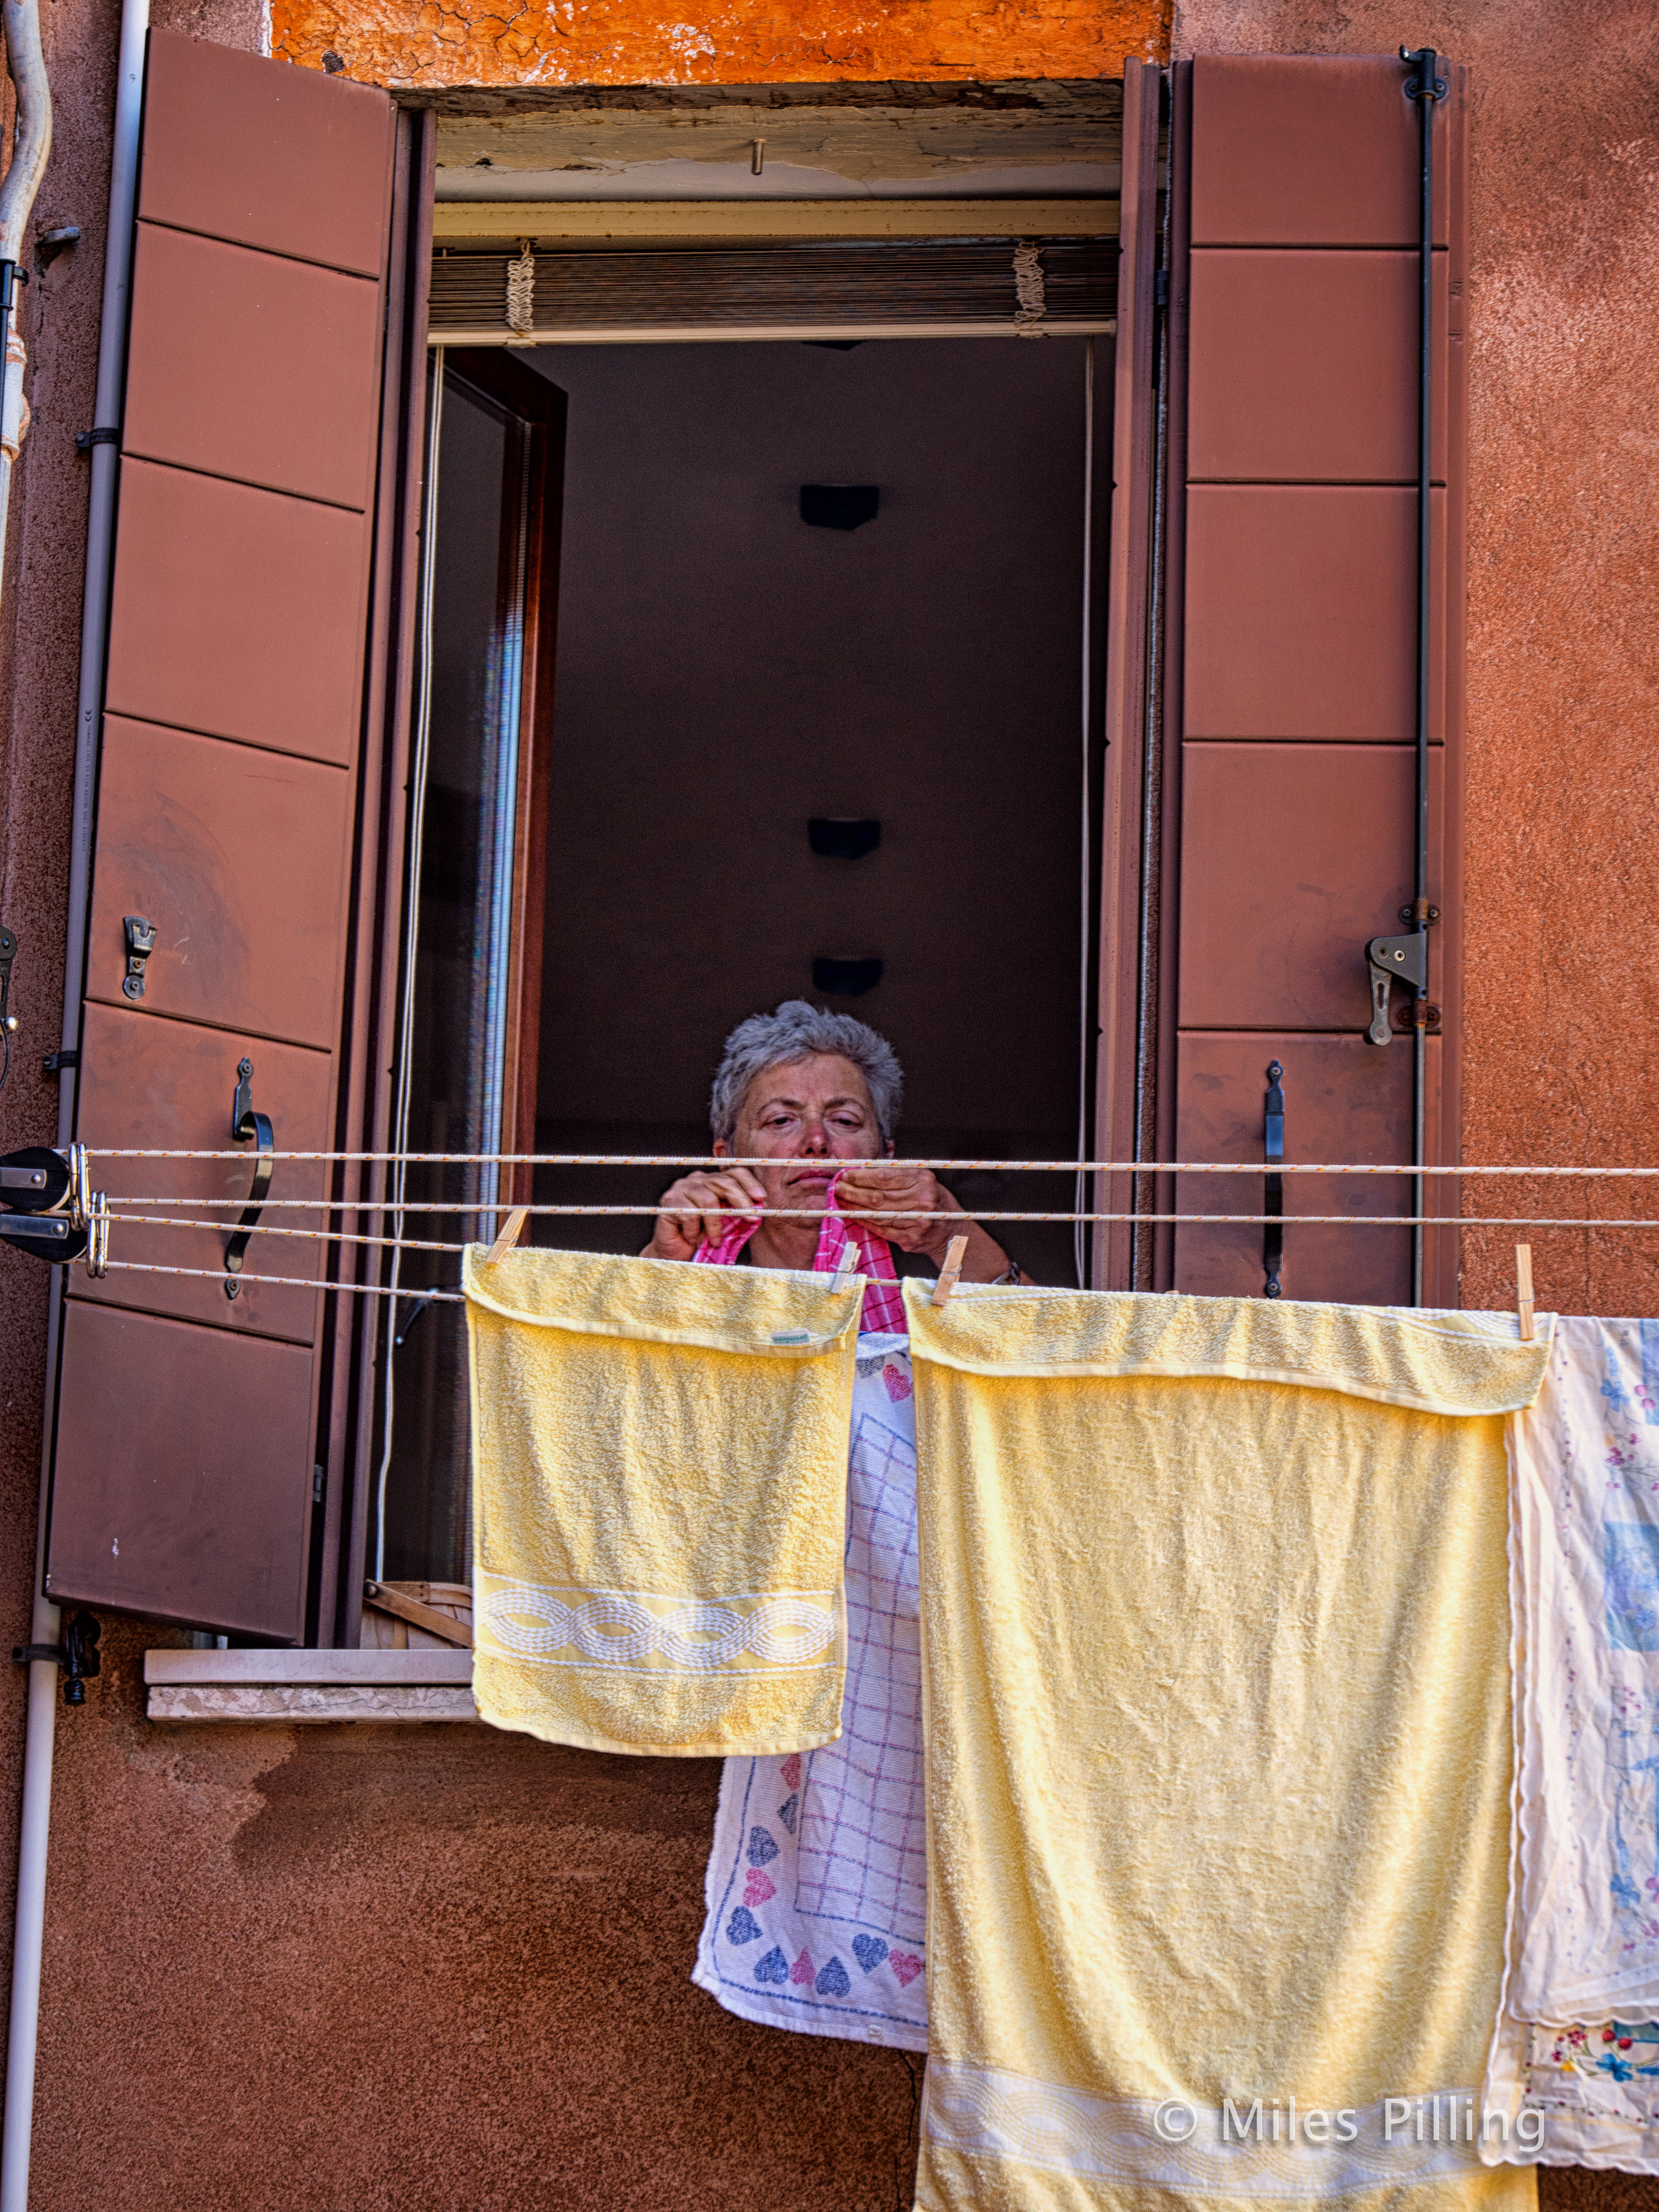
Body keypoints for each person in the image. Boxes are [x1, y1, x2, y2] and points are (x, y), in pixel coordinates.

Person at [643, 999, 1027, 1285]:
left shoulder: (922, 1300)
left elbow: (1044, 1353)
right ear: (728, 1158)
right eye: (781, 1120)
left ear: (885, 1156)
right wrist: (662, 1259)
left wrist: (951, 1234)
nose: (816, 1141)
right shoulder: (694, 1300)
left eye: (844, 1120)